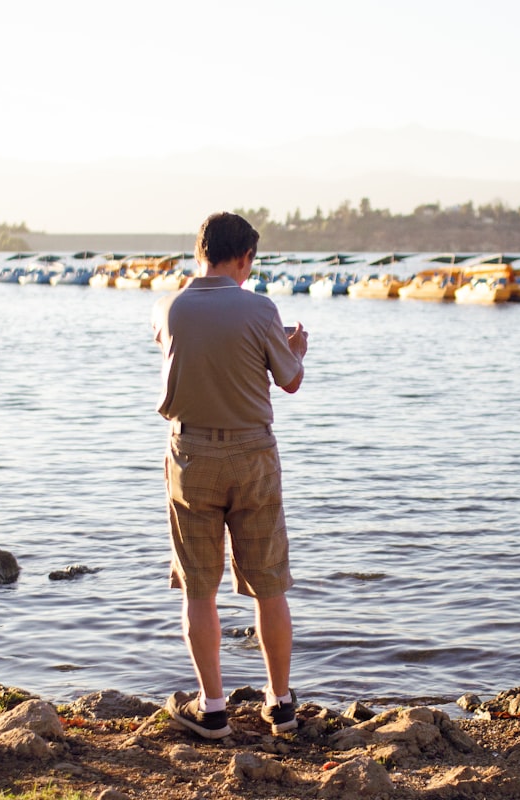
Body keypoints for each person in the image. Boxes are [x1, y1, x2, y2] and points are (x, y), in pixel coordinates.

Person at [151, 211, 308, 739]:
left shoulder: (169, 305)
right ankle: (281, 705)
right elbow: (289, 381)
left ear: (201, 252)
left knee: (199, 589)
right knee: (269, 586)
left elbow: (172, 343)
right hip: (253, 455)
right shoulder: (261, 308)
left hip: (192, 452)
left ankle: (213, 708)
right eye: (250, 262)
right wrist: (293, 350)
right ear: (244, 259)